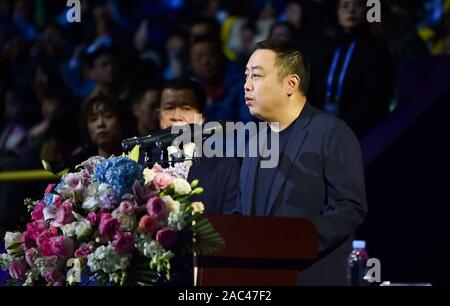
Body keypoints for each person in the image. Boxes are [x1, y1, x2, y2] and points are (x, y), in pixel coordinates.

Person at [236, 39, 367, 285]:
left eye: (256, 76)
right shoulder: (254, 139)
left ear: (291, 83)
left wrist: (293, 243)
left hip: (310, 276)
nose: (246, 85)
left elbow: (349, 207)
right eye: (246, 76)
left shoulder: (331, 132)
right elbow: (241, 212)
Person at [309, 0, 394, 139]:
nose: (351, 11)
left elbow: (375, 99)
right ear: (337, 12)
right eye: (345, 6)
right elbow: (312, 89)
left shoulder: (376, 51)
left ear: (368, 10)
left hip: (359, 136)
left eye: (358, 5)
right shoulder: (328, 48)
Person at [156, 78, 240, 214]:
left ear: (201, 118)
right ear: (159, 116)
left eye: (186, 108)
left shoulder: (225, 167)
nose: (177, 116)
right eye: (169, 108)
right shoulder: (141, 162)